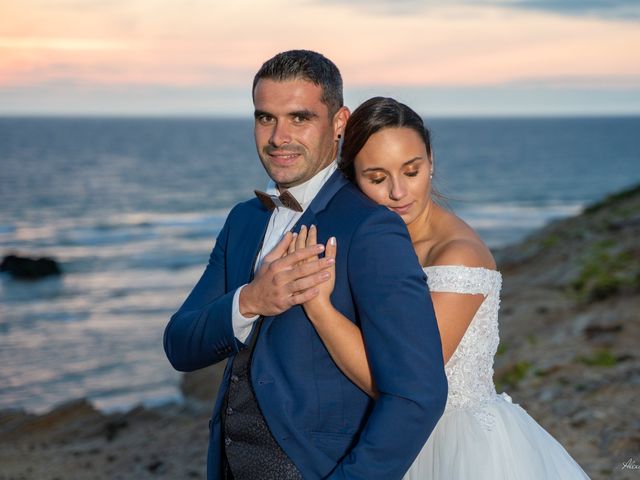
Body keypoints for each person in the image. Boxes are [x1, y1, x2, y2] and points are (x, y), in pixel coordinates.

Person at [163, 52, 448, 480]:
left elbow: (418, 393)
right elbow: (180, 345)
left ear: (339, 122)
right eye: (265, 118)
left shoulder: (371, 228)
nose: (279, 137)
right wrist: (249, 301)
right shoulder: (244, 220)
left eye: (299, 118)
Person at [288, 96, 591, 479]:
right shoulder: (373, 244)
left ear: (431, 159)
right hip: (378, 437)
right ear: (352, 178)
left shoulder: (458, 256)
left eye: (411, 171)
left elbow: (401, 387)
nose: (399, 192)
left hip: (455, 446)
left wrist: (319, 307)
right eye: (378, 178)